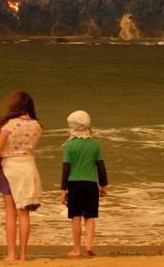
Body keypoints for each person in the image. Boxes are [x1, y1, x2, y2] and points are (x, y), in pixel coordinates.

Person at [0, 91, 43, 261]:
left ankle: (11, 254)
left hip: (10, 168)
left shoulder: (10, 125)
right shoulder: (37, 125)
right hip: (29, 168)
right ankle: (23, 255)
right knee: (24, 213)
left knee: (11, 213)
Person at [60, 110, 109, 257]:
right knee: (90, 217)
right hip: (91, 185)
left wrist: (63, 189)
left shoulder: (69, 146)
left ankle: (76, 249)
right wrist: (103, 185)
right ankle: (89, 245)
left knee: (75, 217)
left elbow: (66, 169)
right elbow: (101, 167)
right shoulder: (95, 145)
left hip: (74, 185)